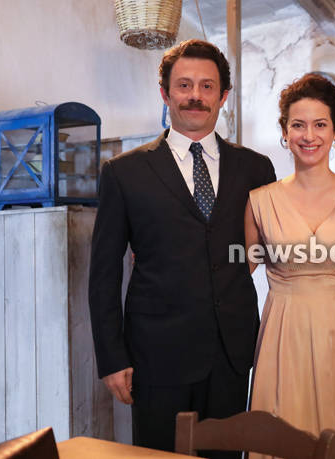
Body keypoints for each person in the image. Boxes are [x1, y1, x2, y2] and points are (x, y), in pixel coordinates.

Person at [88, 39, 276, 456]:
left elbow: (265, 249)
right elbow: (103, 271)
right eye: (184, 85)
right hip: (156, 354)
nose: (195, 96)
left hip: (231, 353)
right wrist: (112, 357)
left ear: (223, 96)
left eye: (207, 86)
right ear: (165, 93)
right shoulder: (123, 172)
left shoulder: (256, 169)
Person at [244, 73, 335, 459]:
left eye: (320, 124)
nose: (309, 135)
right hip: (283, 336)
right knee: (281, 436)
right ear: (285, 131)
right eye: (298, 125)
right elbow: (231, 277)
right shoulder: (260, 201)